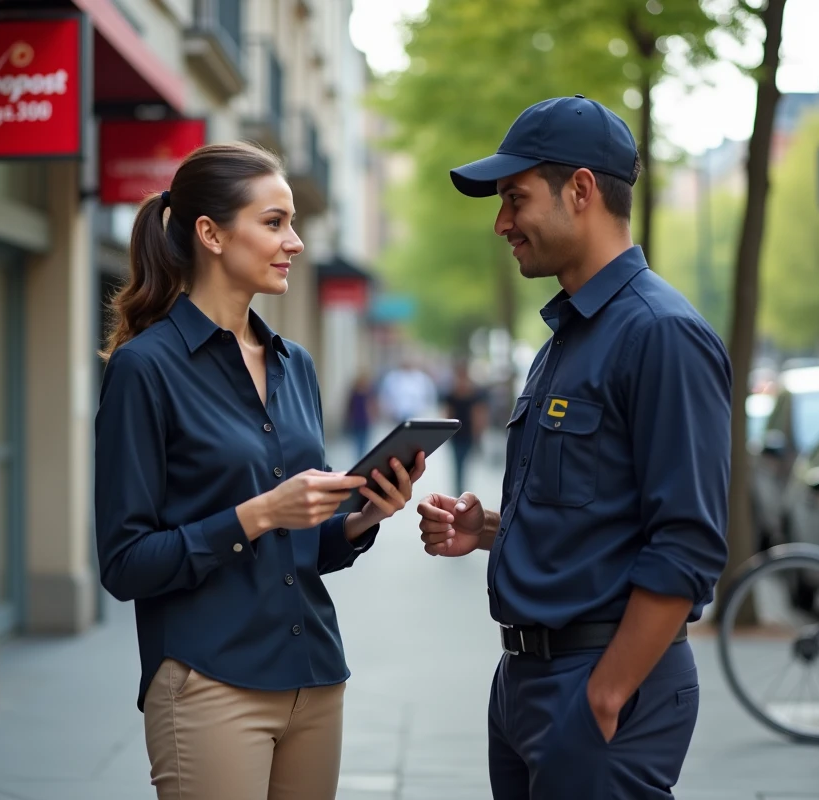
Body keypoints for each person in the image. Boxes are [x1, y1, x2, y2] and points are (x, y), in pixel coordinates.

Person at [416, 96, 732, 799]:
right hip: (528, 686)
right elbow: (599, 514)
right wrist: (490, 530)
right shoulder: (570, 334)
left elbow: (688, 544)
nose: (501, 224)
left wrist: (607, 693)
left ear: (581, 191)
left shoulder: (661, 334)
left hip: (599, 688)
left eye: (514, 199)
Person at [94, 142, 427, 800]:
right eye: (274, 222)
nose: (295, 242)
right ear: (211, 234)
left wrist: (361, 518)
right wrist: (261, 513)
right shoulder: (146, 368)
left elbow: (304, 544)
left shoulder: (294, 363)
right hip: (209, 681)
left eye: (292, 223)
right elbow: (125, 563)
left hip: (314, 676)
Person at [441, 360, 488, 496]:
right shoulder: (451, 394)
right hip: (456, 435)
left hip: (468, 435)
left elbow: (479, 416)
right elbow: (448, 414)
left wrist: (478, 435)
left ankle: (461, 491)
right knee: (458, 464)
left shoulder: (475, 393)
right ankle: (459, 491)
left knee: (464, 464)